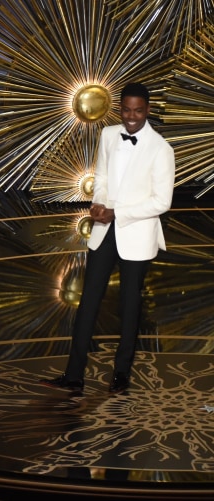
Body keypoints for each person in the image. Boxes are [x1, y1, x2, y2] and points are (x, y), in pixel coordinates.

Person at [41, 82, 175, 394]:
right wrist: (99, 203)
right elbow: (101, 176)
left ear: (148, 110)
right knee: (88, 303)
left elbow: (161, 202)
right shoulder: (108, 135)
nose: (131, 116)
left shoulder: (160, 149)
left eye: (138, 111)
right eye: (126, 110)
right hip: (103, 232)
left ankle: (121, 375)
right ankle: (74, 375)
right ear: (120, 109)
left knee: (130, 306)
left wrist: (118, 213)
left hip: (137, 234)